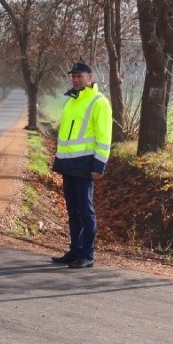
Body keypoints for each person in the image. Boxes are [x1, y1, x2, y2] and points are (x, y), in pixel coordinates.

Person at [51, 61, 112, 269]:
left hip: (86, 165)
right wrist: (59, 160)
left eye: (80, 76)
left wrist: (99, 165)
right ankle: (75, 250)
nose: (76, 79)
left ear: (90, 77)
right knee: (73, 210)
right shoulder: (70, 101)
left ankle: (87, 253)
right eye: (74, 76)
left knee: (86, 210)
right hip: (68, 164)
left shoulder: (99, 102)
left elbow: (104, 137)